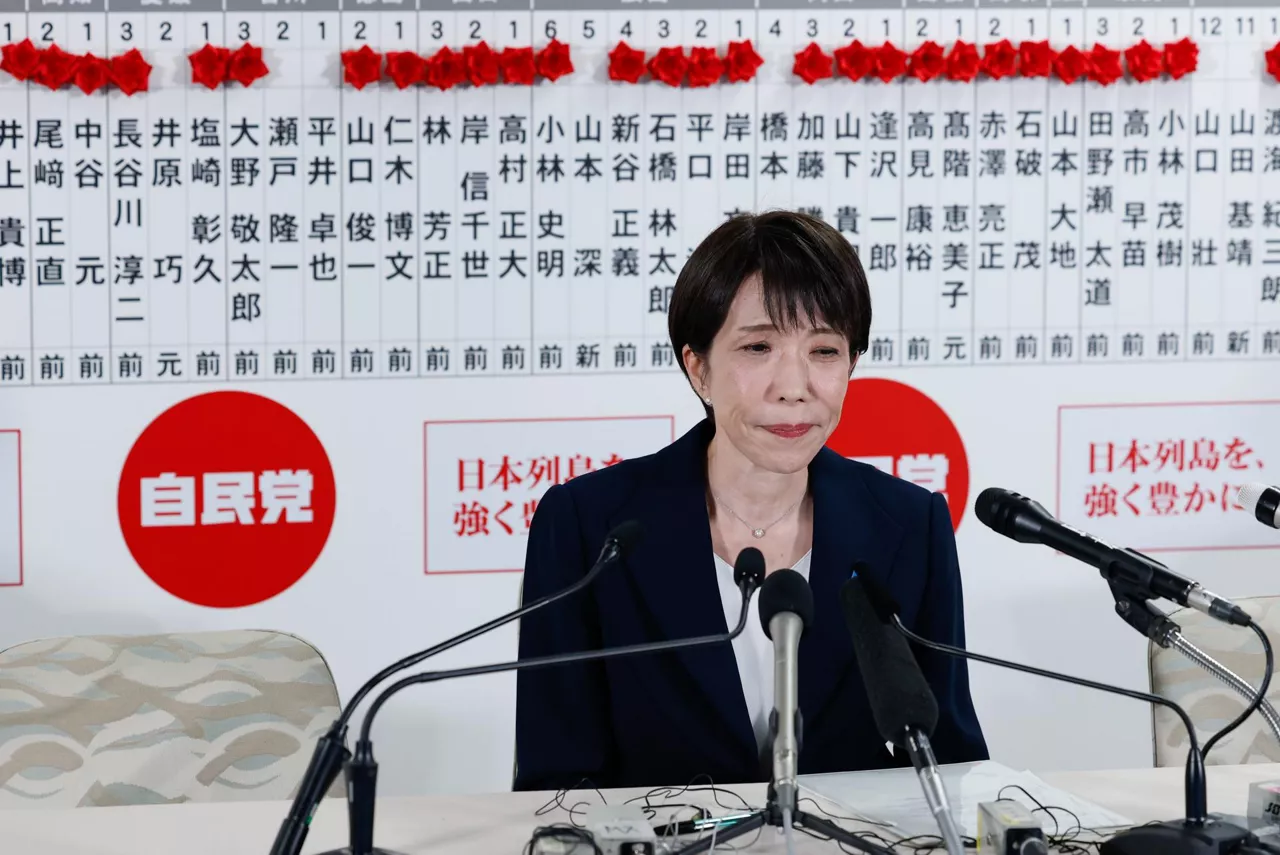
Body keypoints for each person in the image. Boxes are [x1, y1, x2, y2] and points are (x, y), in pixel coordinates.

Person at [513, 211, 988, 792]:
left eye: (824, 351)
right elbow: (554, 783)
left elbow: (951, 761)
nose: (794, 386)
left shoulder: (912, 525)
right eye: (759, 346)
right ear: (699, 368)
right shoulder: (589, 528)